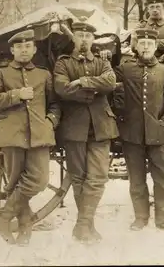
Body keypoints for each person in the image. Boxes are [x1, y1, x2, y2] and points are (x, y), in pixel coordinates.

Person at [0, 29, 61, 245]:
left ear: (34, 49)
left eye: (28, 46)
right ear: (12, 50)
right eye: (19, 47)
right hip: (11, 135)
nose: (24, 50)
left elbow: (55, 104)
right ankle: (25, 231)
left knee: (40, 180)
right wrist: (16, 95)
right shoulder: (0, 72)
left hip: (39, 134)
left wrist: (50, 122)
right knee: (14, 184)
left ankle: (4, 216)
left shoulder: (44, 74)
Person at [53, 20, 118, 243]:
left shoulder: (102, 61)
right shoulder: (63, 63)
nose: (84, 40)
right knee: (79, 177)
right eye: (80, 36)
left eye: (88, 36)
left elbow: (110, 82)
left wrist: (82, 81)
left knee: (98, 177)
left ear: (93, 40)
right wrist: (92, 92)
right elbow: (61, 88)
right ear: (75, 39)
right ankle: (87, 226)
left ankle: (82, 225)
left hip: (101, 126)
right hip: (74, 128)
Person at [116, 29, 164, 233]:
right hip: (132, 134)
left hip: (159, 134)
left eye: (149, 43)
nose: (145, 46)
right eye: (142, 43)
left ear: (156, 47)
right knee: (136, 179)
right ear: (136, 46)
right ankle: (140, 217)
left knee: (162, 179)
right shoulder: (125, 68)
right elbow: (110, 82)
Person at [130, 0, 164, 65]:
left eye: (158, 7)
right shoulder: (141, 26)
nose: (155, 10)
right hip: (143, 58)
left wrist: (152, 42)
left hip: (161, 61)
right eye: (152, 7)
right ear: (148, 10)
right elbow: (134, 45)